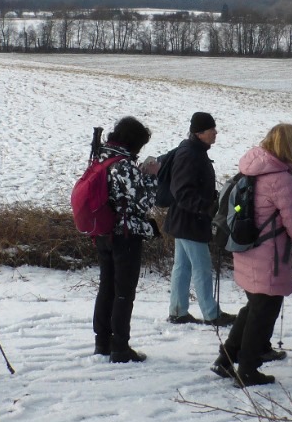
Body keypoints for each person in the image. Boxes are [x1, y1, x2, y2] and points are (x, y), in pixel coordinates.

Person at [211, 124, 292, 387]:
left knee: (254, 307)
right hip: (270, 255)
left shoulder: (252, 167)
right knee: (263, 312)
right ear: (286, 144)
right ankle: (248, 370)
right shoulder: (279, 178)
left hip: (247, 248)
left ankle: (226, 359)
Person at [92, 116, 161, 363]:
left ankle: (102, 343)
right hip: (125, 234)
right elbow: (142, 202)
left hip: (103, 231)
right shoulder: (123, 165)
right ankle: (120, 347)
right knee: (123, 292)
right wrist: (151, 176)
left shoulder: (101, 156)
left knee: (106, 287)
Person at [165, 112, 235, 327]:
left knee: (182, 267)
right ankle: (211, 314)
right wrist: (208, 208)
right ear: (199, 132)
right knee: (202, 267)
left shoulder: (194, 150)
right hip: (190, 221)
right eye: (211, 129)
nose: (216, 132)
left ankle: (178, 311)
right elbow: (182, 191)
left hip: (184, 219)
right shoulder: (190, 154)